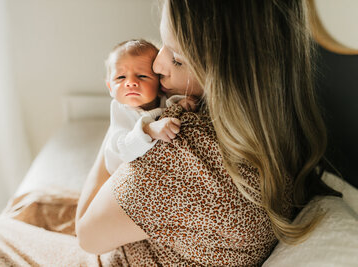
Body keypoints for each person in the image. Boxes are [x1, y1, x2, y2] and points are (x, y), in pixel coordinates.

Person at [76, 0, 340, 266]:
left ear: (228, 74)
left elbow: (86, 235)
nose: (156, 66)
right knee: (35, 203)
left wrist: (121, 116)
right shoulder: (283, 129)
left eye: (176, 59)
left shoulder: (182, 144)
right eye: (162, 45)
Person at [104, 39, 198, 175]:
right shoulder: (121, 110)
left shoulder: (162, 99)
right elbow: (122, 149)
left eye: (142, 76)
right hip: (121, 170)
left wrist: (181, 104)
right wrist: (148, 130)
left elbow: (168, 106)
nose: (131, 83)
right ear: (110, 88)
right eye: (121, 77)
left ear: (160, 86)